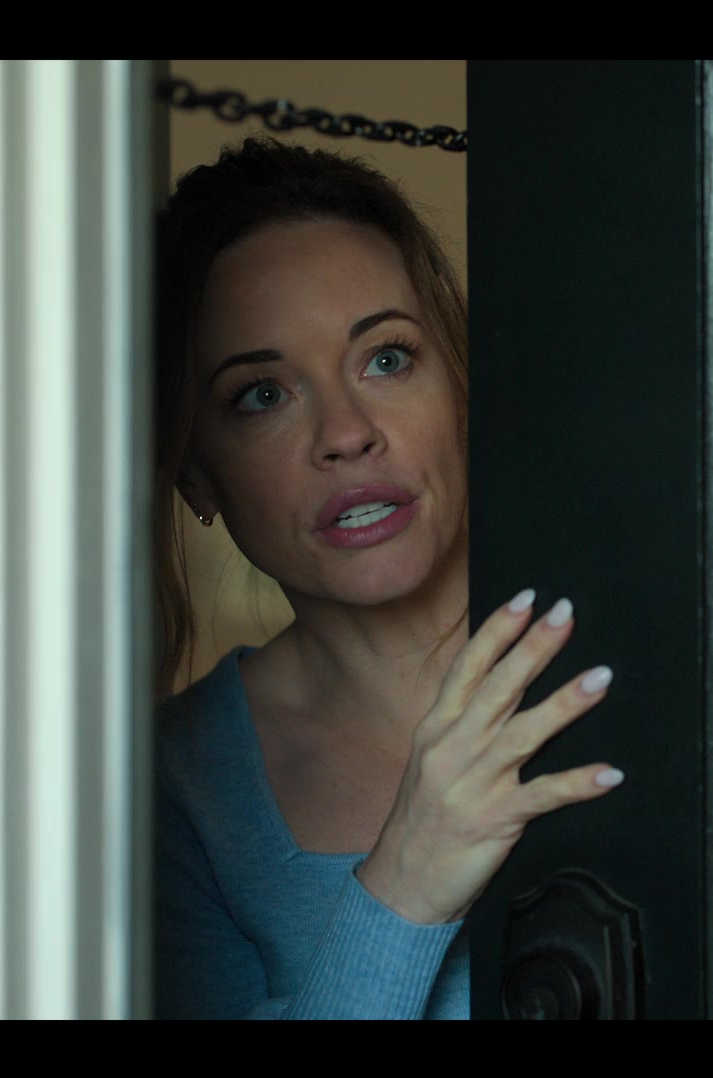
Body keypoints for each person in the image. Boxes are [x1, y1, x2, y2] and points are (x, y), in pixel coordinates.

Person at [152, 137, 625, 1019]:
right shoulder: (175, 793)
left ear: (460, 386)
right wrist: (407, 881)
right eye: (262, 394)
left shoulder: (638, 630)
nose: (346, 432)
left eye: (386, 358)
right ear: (195, 475)